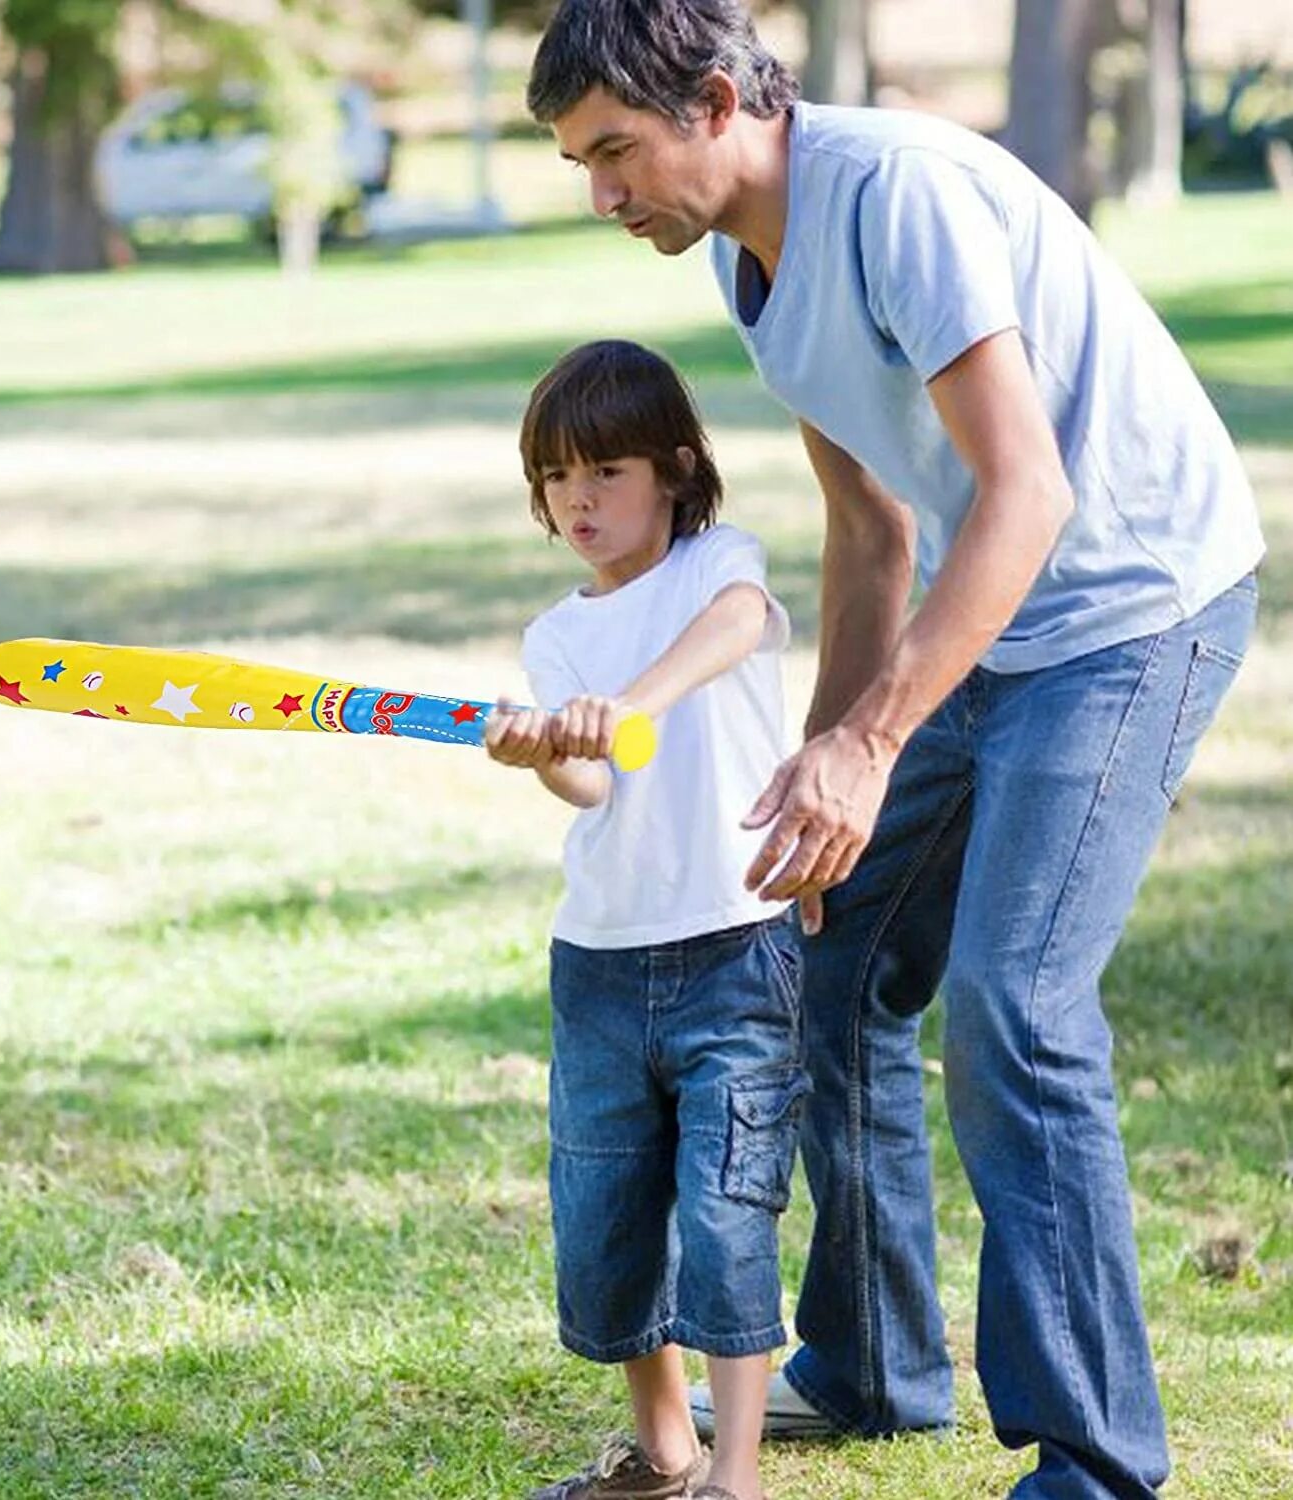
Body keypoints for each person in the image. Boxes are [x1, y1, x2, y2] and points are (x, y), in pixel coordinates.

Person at [524, 4, 1266, 1498]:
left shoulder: (894, 196)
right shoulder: (751, 265)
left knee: (1016, 1003)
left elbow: (1029, 492)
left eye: (614, 150)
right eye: (577, 163)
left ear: (719, 99)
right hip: (989, 618)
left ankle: (1095, 1462)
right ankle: (871, 1363)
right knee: (825, 939)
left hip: (1133, 608)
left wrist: (875, 738)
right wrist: (814, 777)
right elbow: (876, 532)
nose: (600, 195)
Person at [487, 339, 801, 1500]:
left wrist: (626, 708)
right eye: (557, 476)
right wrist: (543, 755)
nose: (579, 497)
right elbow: (590, 785)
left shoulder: (719, 564)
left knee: (728, 1209)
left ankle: (737, 1474)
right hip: (604, 962)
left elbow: (735, 628)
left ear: (674, 470)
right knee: (610, 1212)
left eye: (607, 470)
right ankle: (664, 1451)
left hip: (736, 944)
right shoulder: (557, 636)